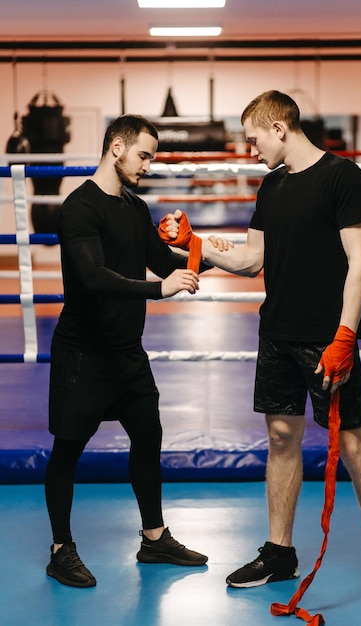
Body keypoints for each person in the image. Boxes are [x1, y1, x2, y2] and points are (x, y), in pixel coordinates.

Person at [165, 90, 361, 616]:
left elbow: (360, 260)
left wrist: (345, 334)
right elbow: (253, 259)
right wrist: (193, 242)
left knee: (353, 446)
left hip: (327, 339)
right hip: (276, 332)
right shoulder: (272, 186)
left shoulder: (344, 178)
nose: (251, 149)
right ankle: (280, 552)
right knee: (280, 438)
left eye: (254, 138)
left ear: (279, 128)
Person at [44, 114, 211, 589]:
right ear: (116, 147)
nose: (147, 165)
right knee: (67, 452)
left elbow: (163, 261)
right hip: (83, 353)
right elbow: (94, 276)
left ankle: (154, 537)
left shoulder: (134, 209)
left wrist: (202, 250)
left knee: (148, 437)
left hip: (126, 352)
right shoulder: (80, 207)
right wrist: (160, 291)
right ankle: (61, 550)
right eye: (143, 155)